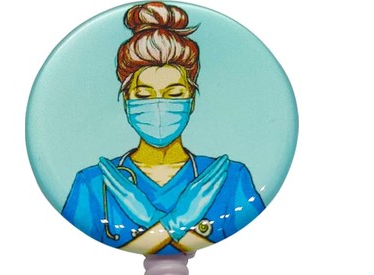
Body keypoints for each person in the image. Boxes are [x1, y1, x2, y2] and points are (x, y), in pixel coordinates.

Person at [62, 1, 265, 254]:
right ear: (126, 101)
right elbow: (79, 258)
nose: (159, 106)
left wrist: (154, 223)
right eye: (144, 95)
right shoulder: (93, 184)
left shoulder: (231, 178)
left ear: (191, 100)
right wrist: (175, 223)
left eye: (174, 94)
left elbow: (248, 256)